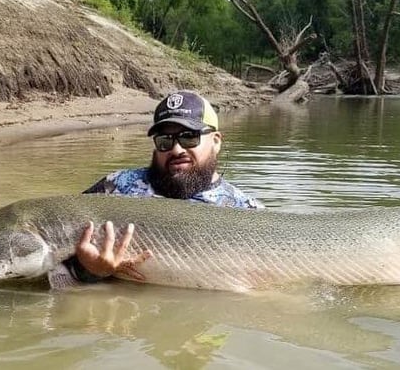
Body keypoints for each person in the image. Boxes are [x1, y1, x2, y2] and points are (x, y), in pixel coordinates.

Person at [64, 90, 259, 282]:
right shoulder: (115, 187)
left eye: (189, 137)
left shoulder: (247, 212)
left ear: (216, 141)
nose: (176, 149)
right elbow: (59, 263)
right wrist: (90, 271)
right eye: (165, 141)